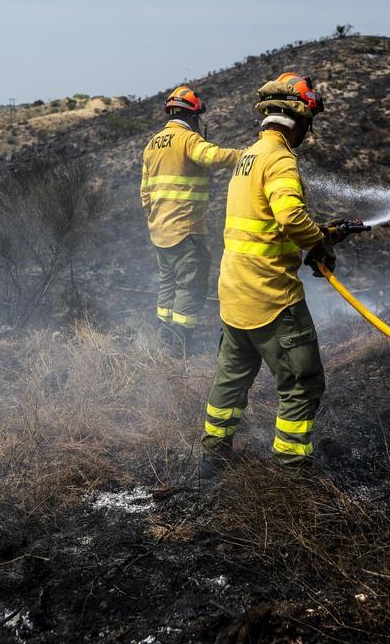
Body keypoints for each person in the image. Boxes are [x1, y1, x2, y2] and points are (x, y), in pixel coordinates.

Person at [201, 72, 352, 469]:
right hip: (271, 298)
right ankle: (291, 465)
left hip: (234, 293)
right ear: (299, 120)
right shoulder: (281, 159)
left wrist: (321, 234)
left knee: (231, 379)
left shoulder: (250, 156)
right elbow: (289, 217)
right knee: (303, 382)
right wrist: (319, 243)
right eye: (308, 124)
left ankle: (213, 457)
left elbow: (267, 223)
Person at [140, 86, 242, 352]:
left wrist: (157, 217)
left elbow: (145, 192)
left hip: (160, 231)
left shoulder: (152, 145)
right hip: (185, 230)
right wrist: (247, 156)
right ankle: (180, 342)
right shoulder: (187, 139)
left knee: (168, 282)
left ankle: (165, 335)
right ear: (193, 115)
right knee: (191, 283)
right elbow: (212, 156)